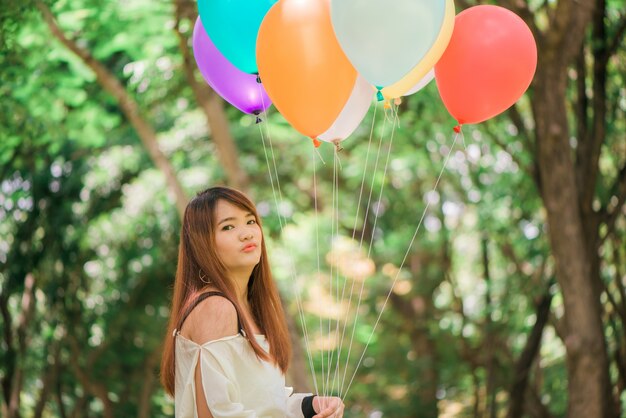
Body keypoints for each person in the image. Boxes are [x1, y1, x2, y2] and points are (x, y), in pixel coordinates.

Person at [160, 186, 345, 418]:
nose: (247, 233)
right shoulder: (215, 307)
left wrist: (313, 406)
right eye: (228, 226)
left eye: (250, 221)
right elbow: (216, 414)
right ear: (203, 243)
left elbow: (264, 403)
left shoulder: (250, 307)